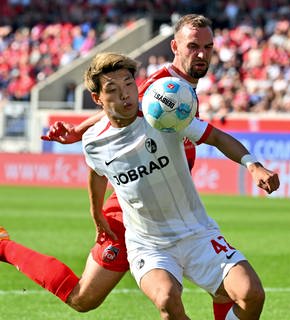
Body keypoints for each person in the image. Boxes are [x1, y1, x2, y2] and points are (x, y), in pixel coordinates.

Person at [38, 14, 266, 319]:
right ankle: (6, 248)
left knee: (238, 290)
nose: (201, 53)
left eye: (208, 46)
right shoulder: (164, 89)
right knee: (86, 298)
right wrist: (81, 131)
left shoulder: (179, 88)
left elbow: (126, 107)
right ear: (175, 46)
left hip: (176, 209)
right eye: (193, 46)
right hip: (135, 212)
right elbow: (124, 107)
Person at [81, 52, 279, 319]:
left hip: (197, 233)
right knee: (167, 299)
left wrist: (253, 165)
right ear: (98, 98)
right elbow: (97, 173)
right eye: (113, 90)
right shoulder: (94, 141)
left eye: (129, 84)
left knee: (251, 293)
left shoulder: (162, 112)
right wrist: (96, 213)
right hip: (149, 245)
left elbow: (216, 137)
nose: (125, 95)